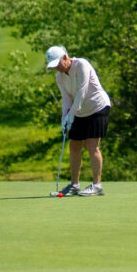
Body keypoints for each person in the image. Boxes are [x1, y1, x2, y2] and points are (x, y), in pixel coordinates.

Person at [46, 45, 111, 196]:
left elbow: (82, 91)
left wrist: (71, 115)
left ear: (65, 57)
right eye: (53, 66)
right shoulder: (59, 77)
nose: (56, 68)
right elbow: (67, 99)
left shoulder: (82, 64)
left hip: (97, 107)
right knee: (74, 145)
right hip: (79, 111)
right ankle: (74, 185)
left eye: (57, 64)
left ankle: (97, 185)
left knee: (91, 145)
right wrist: (64, 118)